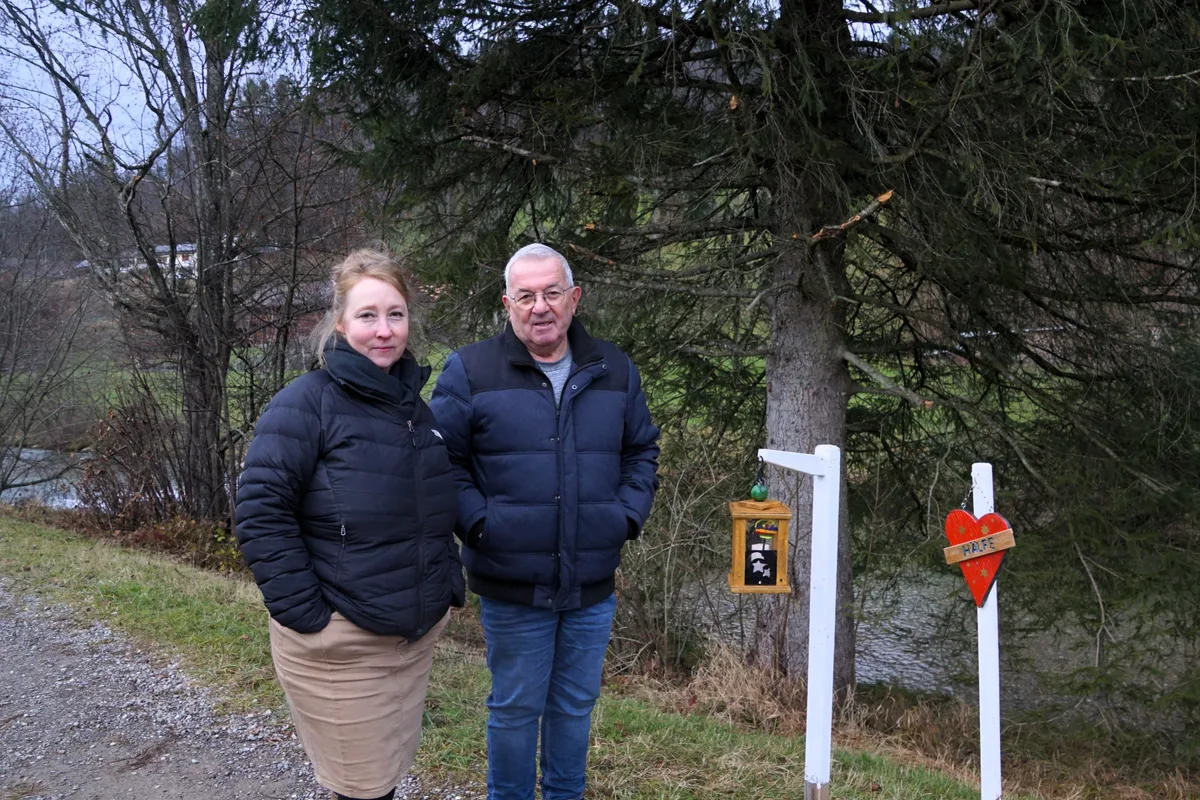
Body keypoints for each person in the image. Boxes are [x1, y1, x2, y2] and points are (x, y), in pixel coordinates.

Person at [430, 243, 660, 800]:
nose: (540, 307)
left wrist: (624, 517)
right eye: (527, 296)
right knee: (514, 708)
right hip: (510, 577)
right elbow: (441, 461)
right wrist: (481, 525)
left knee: (575, 705)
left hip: (590, 578)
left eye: (552, 293)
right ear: (508, 303)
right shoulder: (471, 370)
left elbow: (641, 452)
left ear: (574, 299)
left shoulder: (614, 368)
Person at [235, 248, 464, 800]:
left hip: (407, 641)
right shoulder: (306, 404)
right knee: (362, 788)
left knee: (381, 778)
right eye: (367, 315)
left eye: (395, 314)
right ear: (339, 323)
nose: (383, 331)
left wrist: (444, 584)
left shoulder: (415, 411)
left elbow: (427, 509)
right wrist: (310, 617)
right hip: (343, 643)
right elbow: (260, 512)